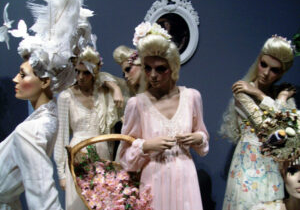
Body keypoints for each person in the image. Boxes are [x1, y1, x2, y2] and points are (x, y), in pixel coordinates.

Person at [0, 0, 84, 209]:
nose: (15, 81)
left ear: (45, 81)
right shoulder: (46, 119)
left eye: (22, 74)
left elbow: (43, 199)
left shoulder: (31, 130)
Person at [119, 22, 209, 210]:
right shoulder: (137, 104)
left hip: (185, 178)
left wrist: (197, 138)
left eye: (160, 69)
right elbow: (124, 158)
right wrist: (146, 145)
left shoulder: (192, 97)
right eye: (147, 68)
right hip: (154, 180)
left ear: (173, 67)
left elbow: (203, 142)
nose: (153, 75)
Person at [221, 35, 296, 210]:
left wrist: (265, 96)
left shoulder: (280, 94)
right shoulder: (242, 91)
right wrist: (274, 98)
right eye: (264, 64)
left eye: (274, 70)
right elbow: (270, 129)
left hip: (274, 168)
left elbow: (291, 132)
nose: (266, 72)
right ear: (258, 60)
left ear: (282, 72)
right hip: (247, 167)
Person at [54, 46, 121, 210]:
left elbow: (109, 130)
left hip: (102, 153)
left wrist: (116, 88)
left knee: (104, 202)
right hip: (78, 155)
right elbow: (61, 136)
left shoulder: (103, 93)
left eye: (86, 73)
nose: (80, 77)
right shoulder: (66, 97)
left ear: (94, 74)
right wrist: (62, 173)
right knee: (79, 203)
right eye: (77, 71)